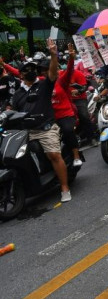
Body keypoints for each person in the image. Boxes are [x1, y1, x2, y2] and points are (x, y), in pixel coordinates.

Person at [10, 39, 71, 202]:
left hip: (46, 128)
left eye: (32, 69)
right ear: (21, 74)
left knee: (53, 155)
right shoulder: (18, 94)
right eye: (26, 70)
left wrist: (53, 54)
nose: (29, 71)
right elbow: (11, 110)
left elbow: (53, 73)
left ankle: (64, 188)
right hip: (26, 132)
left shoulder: (44, 85)